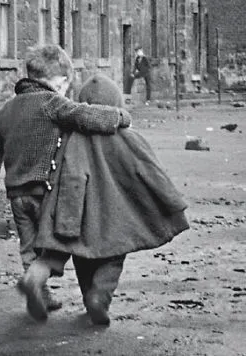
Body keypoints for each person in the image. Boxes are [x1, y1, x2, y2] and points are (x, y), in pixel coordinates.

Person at [0, 45, 132, 319]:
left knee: (29, 246)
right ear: (58, 80)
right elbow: (85, 115)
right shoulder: (52, 103)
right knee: (57, 245)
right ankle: (60, 288)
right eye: (65, 84)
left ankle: (39, 291)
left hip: (16, 194)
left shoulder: (6, 111)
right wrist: (119, 117)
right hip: (47, 190)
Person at [29, 73, 189, 325]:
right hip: (116, 214)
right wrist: (172, 200)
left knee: (79, 254)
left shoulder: (72, 136)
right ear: (117, 103)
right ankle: (99, 297)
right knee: (113, 258)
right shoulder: (127, 137)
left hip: (78, 211)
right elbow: (149, 170)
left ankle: (60, 287)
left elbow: (56, 168)